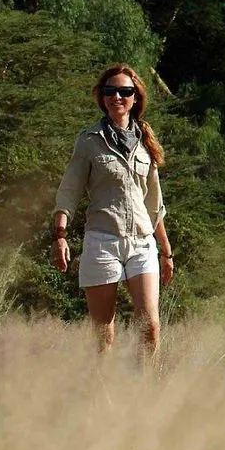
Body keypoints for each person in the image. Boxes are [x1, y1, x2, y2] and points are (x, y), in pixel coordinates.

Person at [51, 63, 174, 356]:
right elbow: (69, 190)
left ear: (136, 97)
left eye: (124, 91)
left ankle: (147, 383)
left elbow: (154, 204)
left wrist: (166, 251)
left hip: (142, 243)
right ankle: (104, 385)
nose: (116, 97)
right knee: (103, 335)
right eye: (110, 91)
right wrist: (60, 235)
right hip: (102, 241)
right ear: (102, 96)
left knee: (150, 326)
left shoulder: (145, 141)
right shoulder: (88, 140)